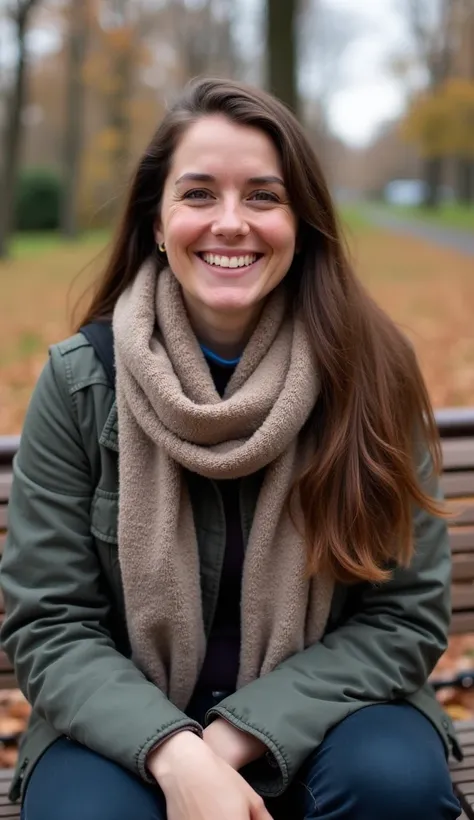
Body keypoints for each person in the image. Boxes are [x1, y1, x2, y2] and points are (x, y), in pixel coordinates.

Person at [0, 78, 462, 820]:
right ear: (157, 220)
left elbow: (404, 615)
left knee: (394, 788)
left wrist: (234, 739)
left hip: (332, 713)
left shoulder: (371, 374)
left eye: (262, 196)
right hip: (118, 729)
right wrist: (174, 751)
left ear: (301, 220)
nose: (230, 223)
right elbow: (50, 624)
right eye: (198, 194)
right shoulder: (82, 384)